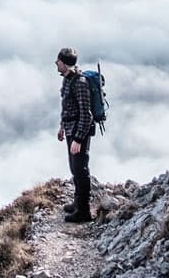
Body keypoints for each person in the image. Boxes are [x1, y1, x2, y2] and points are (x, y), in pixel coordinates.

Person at [55, 47, 95, 223]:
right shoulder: (67, 80)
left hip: (79, 132)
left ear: (65, 63)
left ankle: (84, 212)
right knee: (74, 168)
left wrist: (78, 139)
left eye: (58, 61)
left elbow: (86, 114)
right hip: (71, 129)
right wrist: (62, 127)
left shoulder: (79, 83)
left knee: (80, 169)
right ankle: (77, 203)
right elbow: (67, 106)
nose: (56, 63)